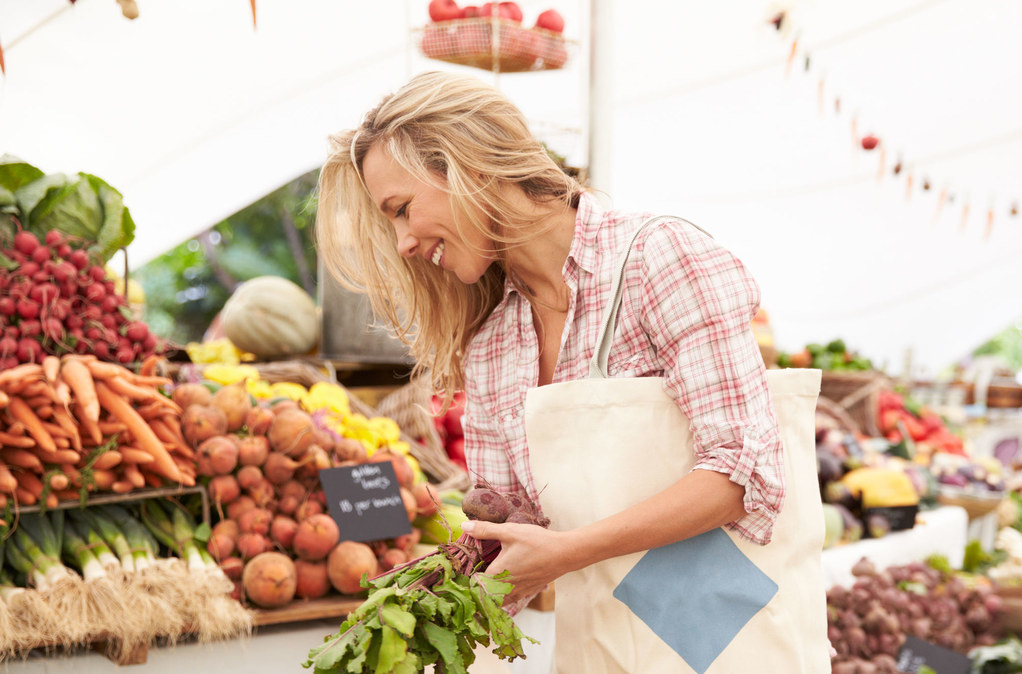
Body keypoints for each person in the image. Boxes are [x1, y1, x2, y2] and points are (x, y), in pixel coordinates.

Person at [314, 72, 823, 670]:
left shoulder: (658, 260)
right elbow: (515, 527)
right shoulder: (493, 343)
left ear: (469, 167)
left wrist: (565, 553)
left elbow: (741, 475)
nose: (402, 241)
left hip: (725, 637)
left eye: (402, 210)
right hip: (606, 643)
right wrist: (422, 602)